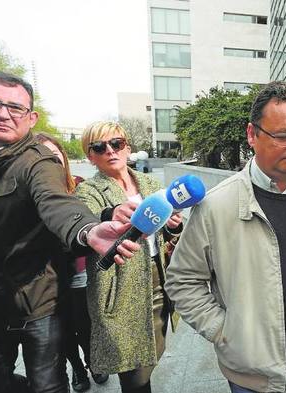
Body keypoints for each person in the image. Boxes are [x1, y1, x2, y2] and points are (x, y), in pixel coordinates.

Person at [165, 81, 286, 393]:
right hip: (247, 369)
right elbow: (182, 281)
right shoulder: (215, 206)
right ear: (252, 134)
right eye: (284, 135)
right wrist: (224, 330)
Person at [0, 71, 140, 393]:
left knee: (48, 385)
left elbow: (57, 203)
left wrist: (88, 230)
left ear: (31, 117)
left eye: (15, 107)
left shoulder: (38, 161)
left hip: (37, 303)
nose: (4, 113)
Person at [75, 121, 183, 393]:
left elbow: (166, 237)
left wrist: (173, 226)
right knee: (135, 375)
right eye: (99, 147)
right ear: (90, 156)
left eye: (117, 144)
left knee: (151, 354)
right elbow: (90, 223)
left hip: (158, 282)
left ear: (127, 147)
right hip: (119, 290)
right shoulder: (88, 190)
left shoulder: (149, 182)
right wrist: (111, 213)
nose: (110, 150)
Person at [34, 133, 109, 392]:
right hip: (49, 281)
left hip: (82, 274)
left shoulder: (79, 187)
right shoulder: (30, 196)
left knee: (85, 325)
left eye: (54, 157)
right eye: (41, 157)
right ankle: (77, 368)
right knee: (63, 332)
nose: (49, 164)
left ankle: (93, 362)